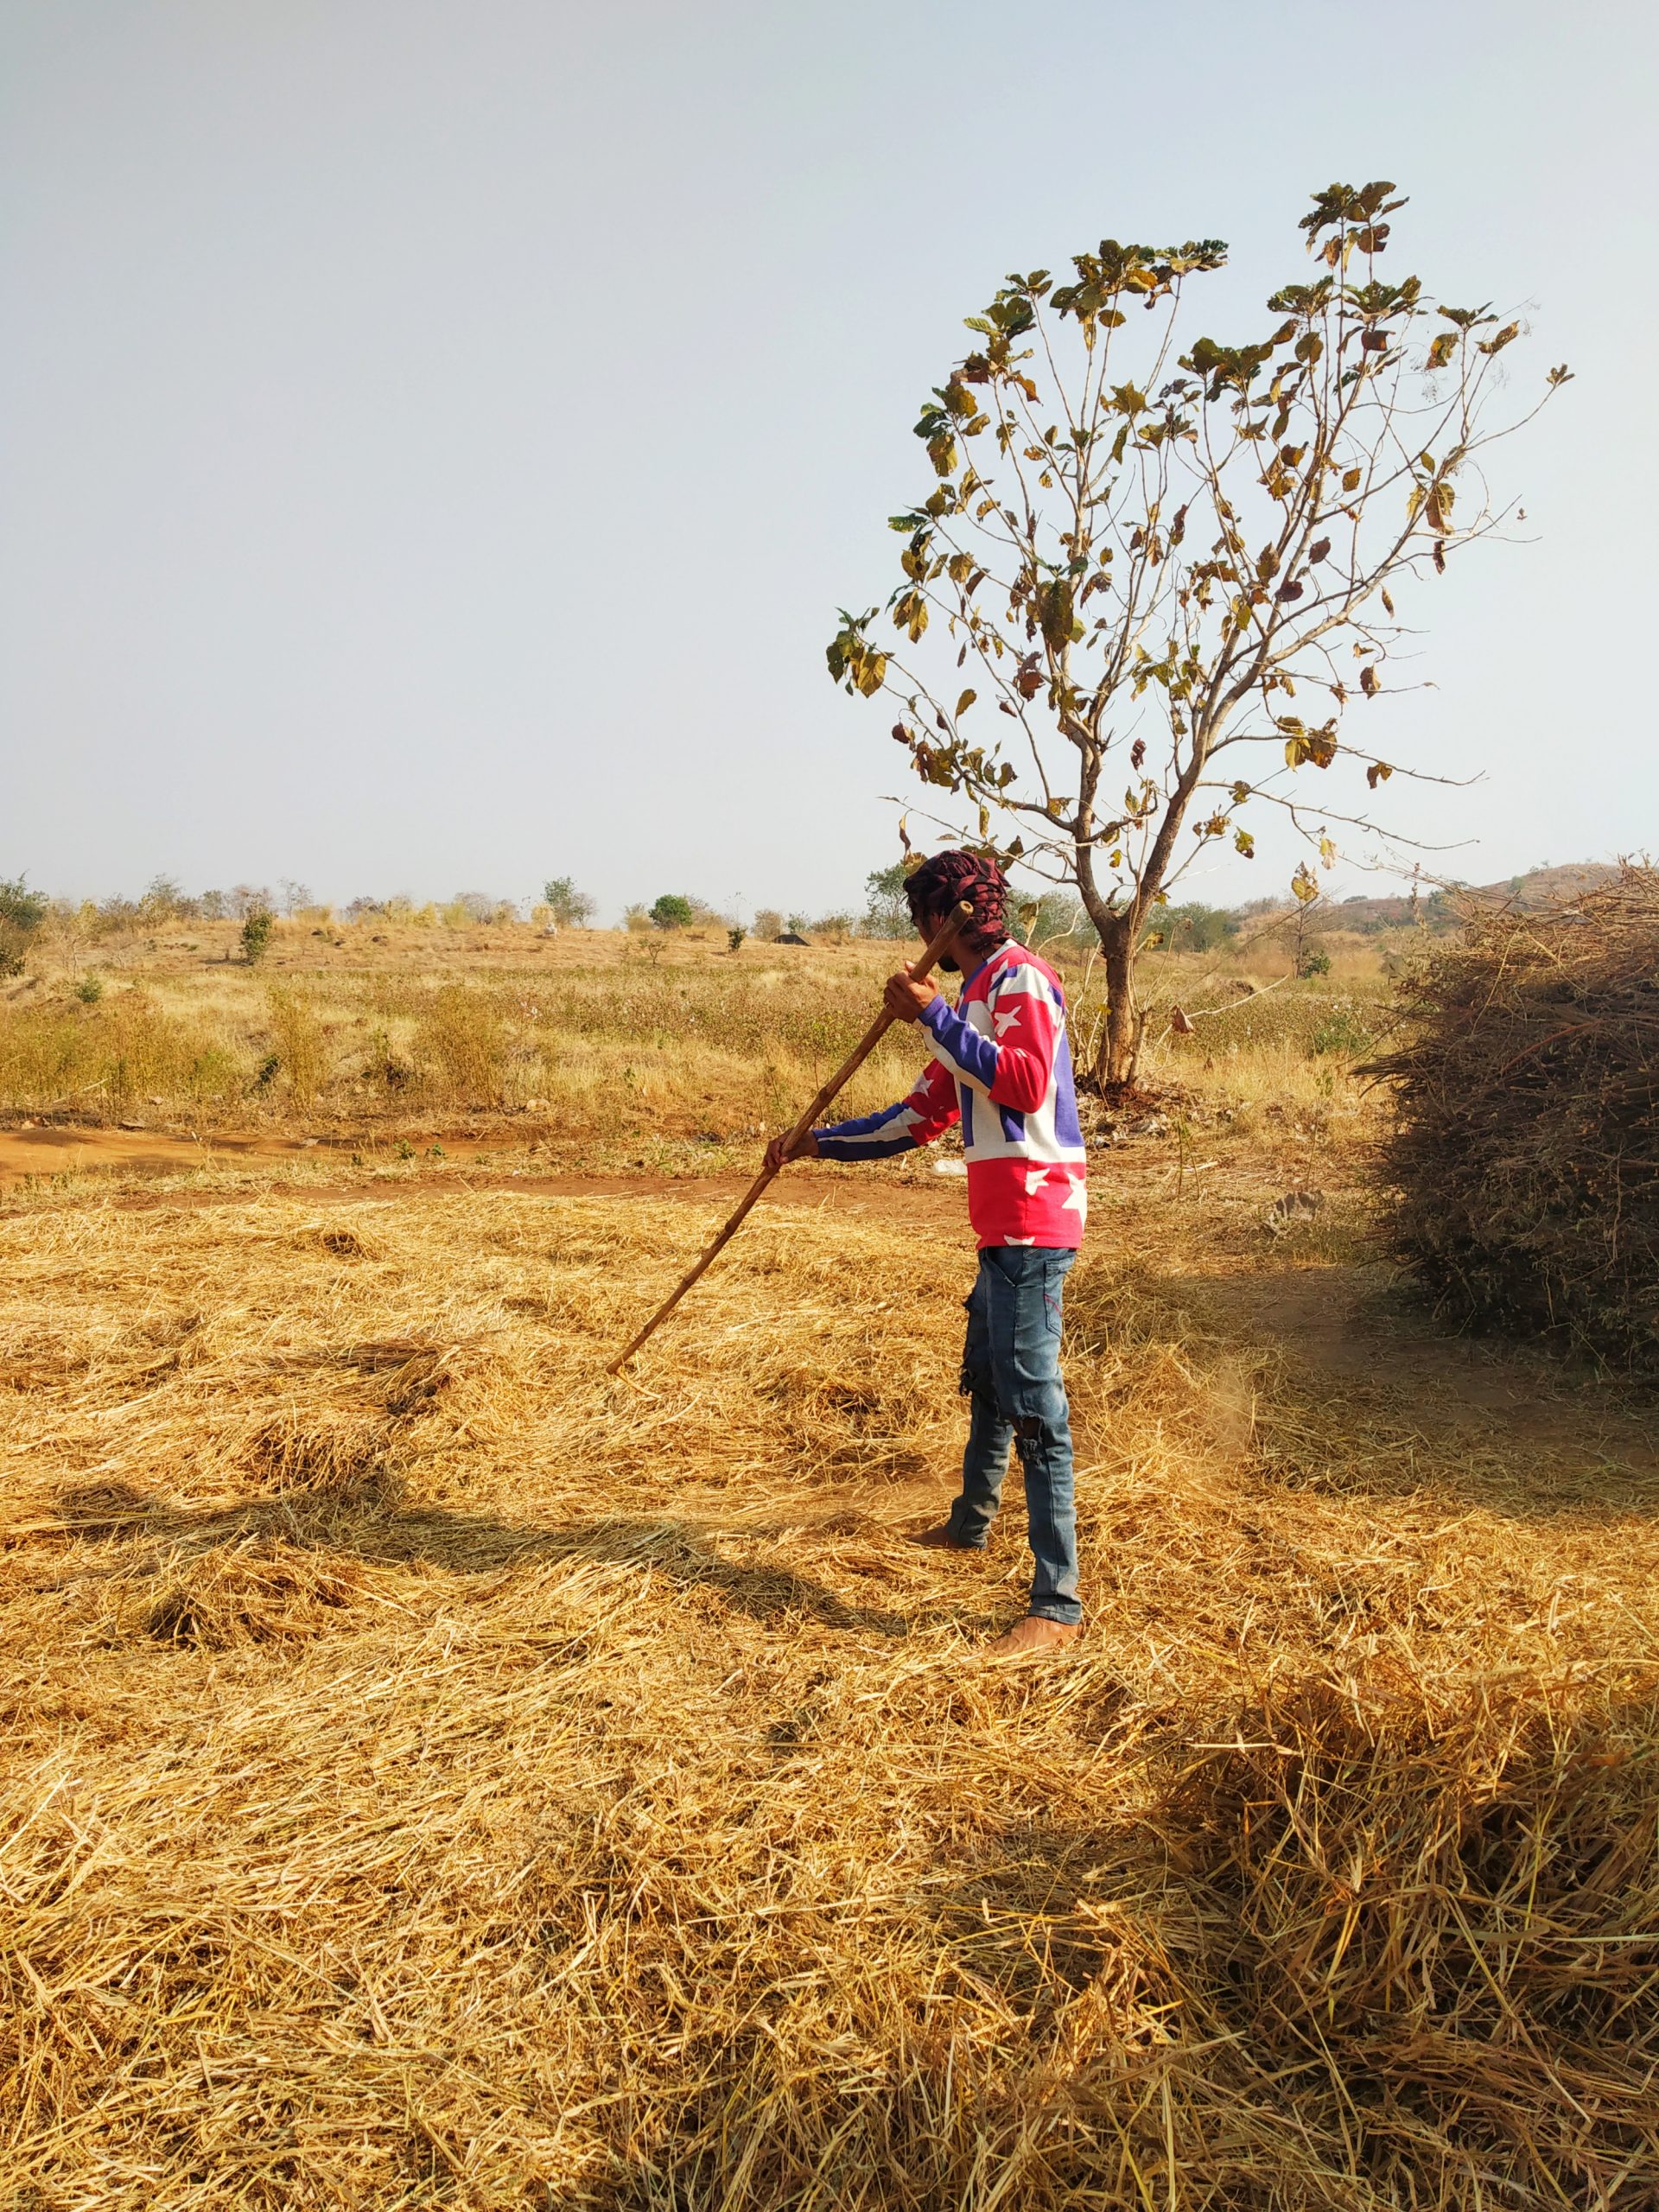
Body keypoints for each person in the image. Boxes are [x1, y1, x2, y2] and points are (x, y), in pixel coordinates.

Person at [764, 850, 1087, 1654]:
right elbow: (922, 1117)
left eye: (921, 923)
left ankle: (1056, 1606)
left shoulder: (1018, 982)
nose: (918, 939)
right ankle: (970, 1525)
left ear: (942, 925)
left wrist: (931, 1020)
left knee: (1034, 1405)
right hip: (998, 1227)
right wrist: (817, 1144)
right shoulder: (973, 996)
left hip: (1032, 1220)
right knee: (989, 1376)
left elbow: (1024, 1080)